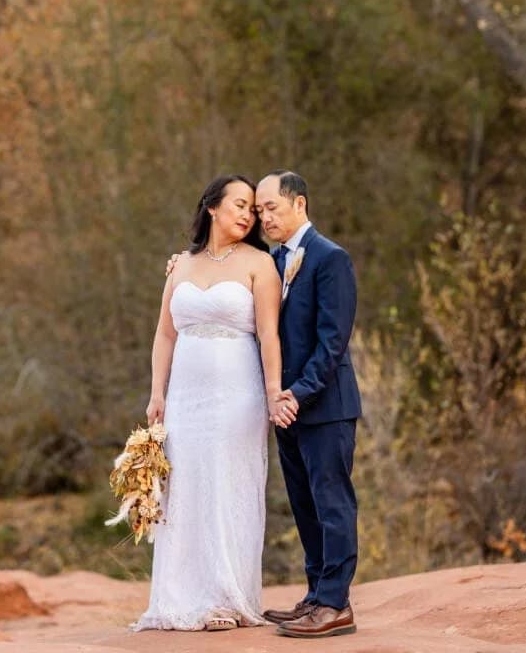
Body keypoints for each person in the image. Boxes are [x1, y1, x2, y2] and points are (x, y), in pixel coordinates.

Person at [132, 174, 285, 632]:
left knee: (227, 486)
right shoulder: (180, 266)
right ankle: (180, 598)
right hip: (185, 398)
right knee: (185, 489)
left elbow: (269, 334)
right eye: (239, 204)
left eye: (253, 210)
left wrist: (275, 391)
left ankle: (225, 596)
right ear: (212, 207)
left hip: (238, 395)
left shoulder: (260, 264)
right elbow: (164, 333)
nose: (248, 214)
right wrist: (157, 392)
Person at [257, 170, 362, 639]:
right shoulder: (270, 261)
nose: (264, 217)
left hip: (325, 407)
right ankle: (316, 594)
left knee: (332, 504)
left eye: (271, 208)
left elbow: (333, 342)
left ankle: (336, 603)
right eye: (259, 211)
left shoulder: (330, 258)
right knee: (303, 505)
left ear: (299, 203)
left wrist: (294, 395)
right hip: (287, 411)